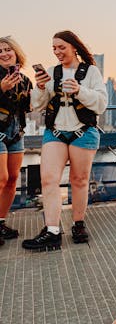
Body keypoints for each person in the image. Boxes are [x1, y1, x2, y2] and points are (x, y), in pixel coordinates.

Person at [22, 31, 107, 251]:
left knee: (79, 180)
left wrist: (79, 90)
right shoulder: (52, 72)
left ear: (73, 47)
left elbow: (100, 104)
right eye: (54, 49)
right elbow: (38, 106)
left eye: (61, 47)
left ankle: (78, 224)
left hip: (83, 131)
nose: (57, 52)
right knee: (49, 179)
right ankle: (52, 230)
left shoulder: (91, 72)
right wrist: (40, 88)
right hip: (56, 131)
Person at [0, 37, 32, 246]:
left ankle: (1, 222)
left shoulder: (24, 79)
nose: (3, 53)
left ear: (16, 52)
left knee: (12, 180)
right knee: (0, 178)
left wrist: (38, 90)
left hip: (16, 133)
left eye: (7, 49)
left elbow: (28, 108)